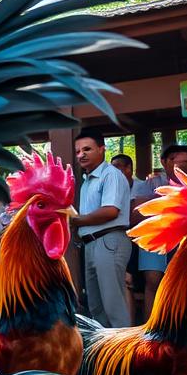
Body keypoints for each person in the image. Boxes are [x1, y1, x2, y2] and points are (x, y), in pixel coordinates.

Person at [71, 132, 132, 328]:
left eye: (87, 149)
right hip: (91, 244)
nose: (81, 155)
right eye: (78, 151)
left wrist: (75, 221)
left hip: (109, 240)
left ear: (102, 149)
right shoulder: (88, 180)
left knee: (113, 305)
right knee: (96, 306)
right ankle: (103, 355)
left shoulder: (111, 174)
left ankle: (124, 355)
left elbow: (110, 211)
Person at [133, 144, 187, 316]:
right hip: (155, 235)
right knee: (152, 280)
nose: (179, 165)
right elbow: (136, 213)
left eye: (185, 161)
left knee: (184, 282)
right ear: (164, 162)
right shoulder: (151, 183)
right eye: (174, 160)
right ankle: (150, 328)